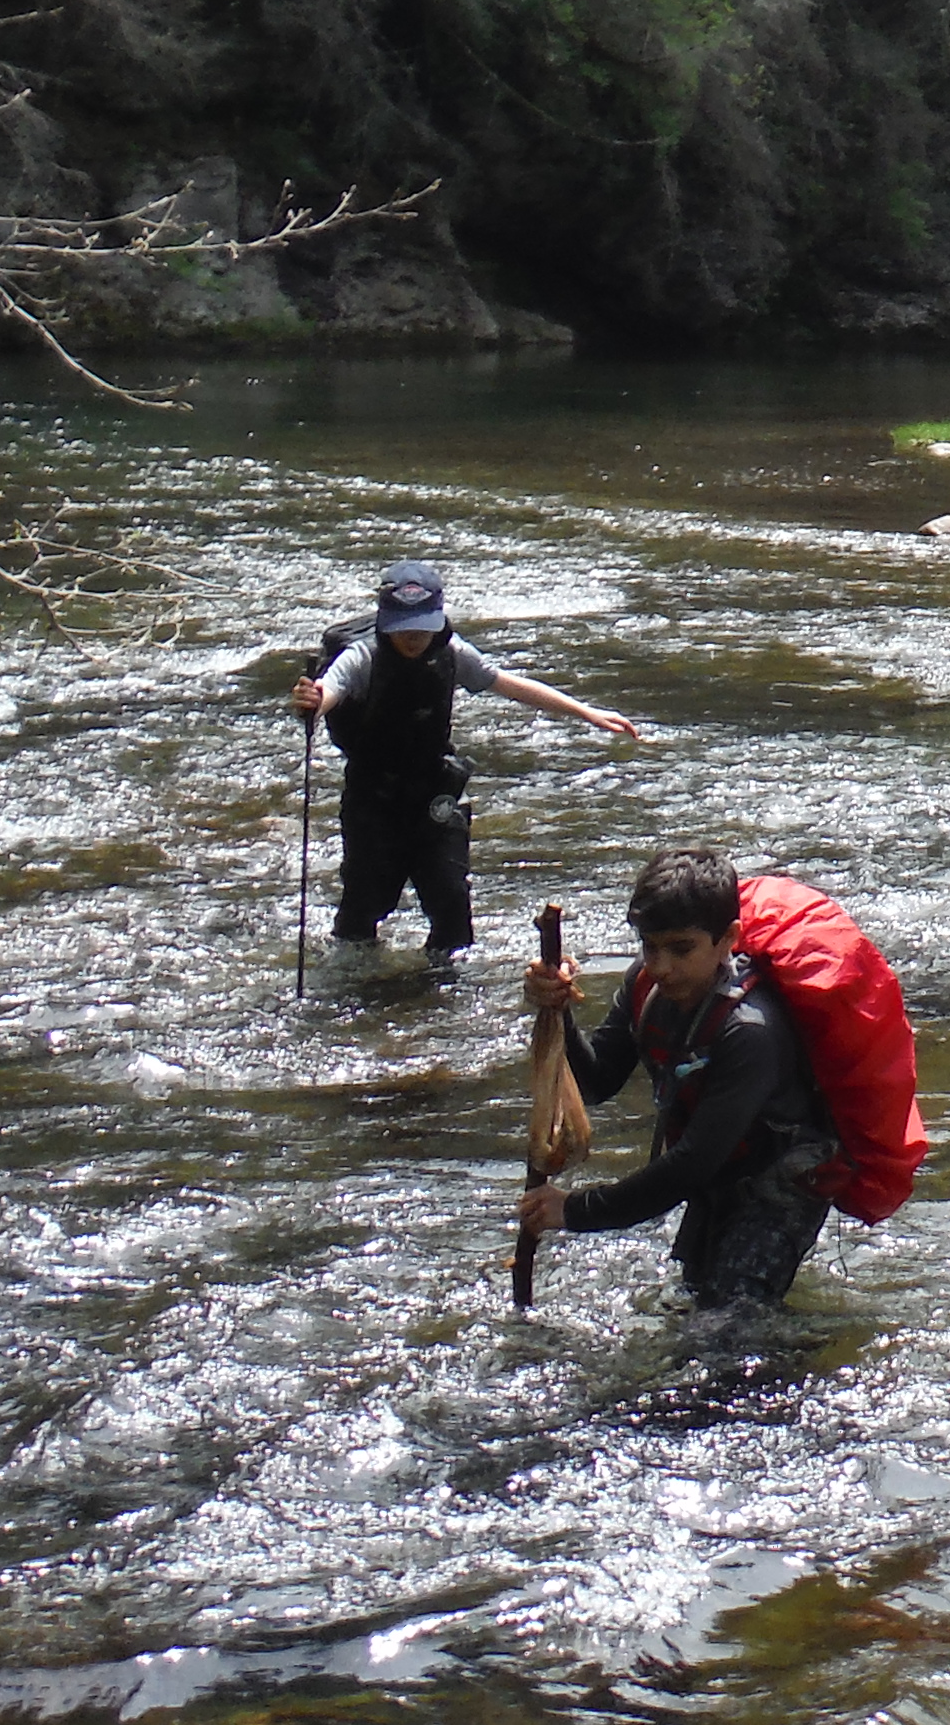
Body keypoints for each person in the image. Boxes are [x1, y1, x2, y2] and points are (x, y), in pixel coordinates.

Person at [514, 848, 835, 1311]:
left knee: (731, 1324)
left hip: (779, 1186)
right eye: (650, 946)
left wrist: (574, 1210)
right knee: (695, 1303)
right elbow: (599, 1080)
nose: (662, 965)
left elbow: (688, 1166)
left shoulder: (749, 1032)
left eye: (681, 948)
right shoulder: (645, 987)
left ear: (728, 939)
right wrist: (557, 1011)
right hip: (716, 1179)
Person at [287, 559, 639, 964]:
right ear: (386, 621)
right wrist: (313, 702)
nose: (415, 636)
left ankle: (441, 989)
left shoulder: (452, 652)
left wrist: (587, 712)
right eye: (405, 626)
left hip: (434, 798)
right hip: (373, 803)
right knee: (363, 909)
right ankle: (358, 985)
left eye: (423, 625)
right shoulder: (362, 657)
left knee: (452, 906)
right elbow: (329, 690)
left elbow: (509, 684)